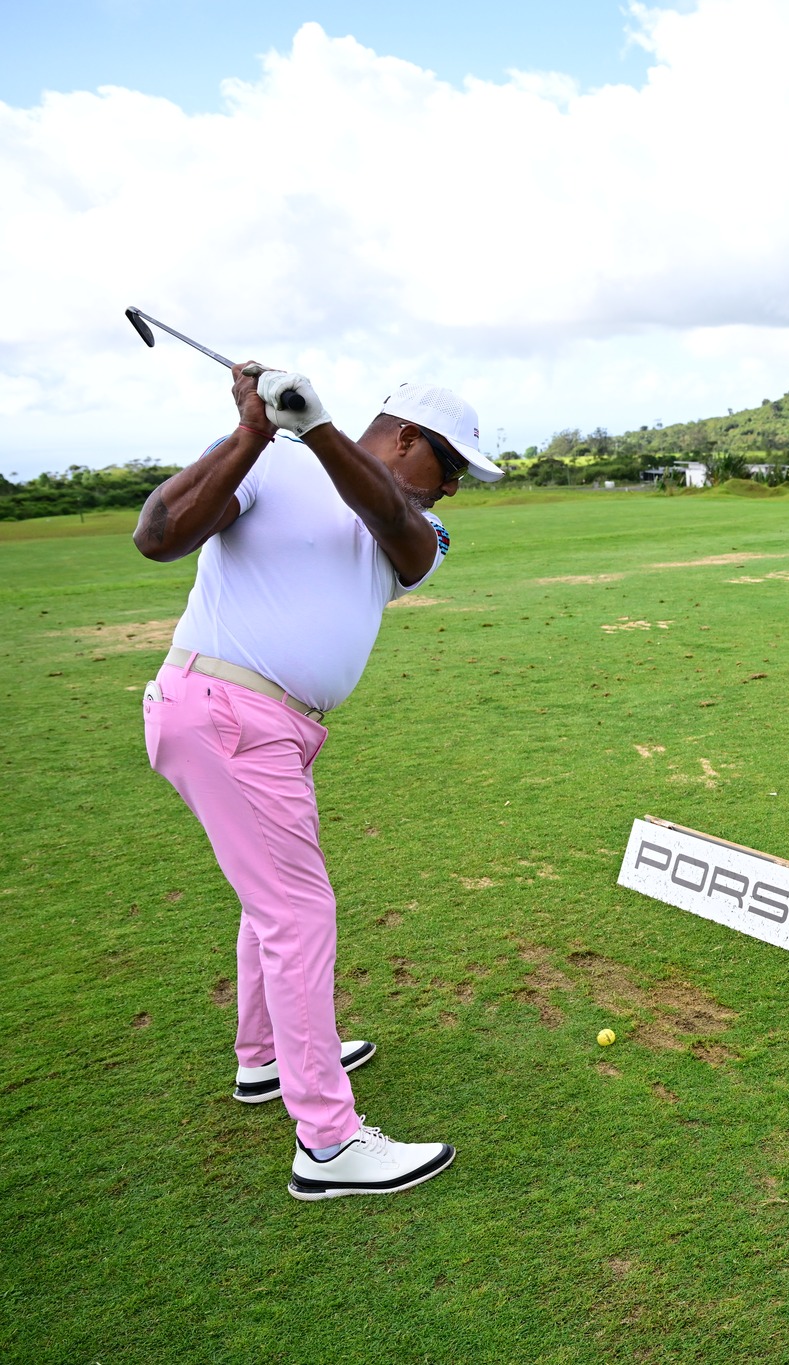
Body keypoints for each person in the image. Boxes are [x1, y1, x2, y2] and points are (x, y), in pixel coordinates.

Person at [134, 363, 499, 1200]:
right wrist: (253, 431)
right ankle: (328, 1143)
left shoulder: (417, 525)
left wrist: (320, 429)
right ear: (406, 437)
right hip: (227, 711)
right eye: (448, 466)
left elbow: (395, 524)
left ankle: (264, 1057)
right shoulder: (268, 461)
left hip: (272, 726)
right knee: (297, 914)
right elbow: (158, 535)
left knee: (271, 901)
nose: (451, 487)